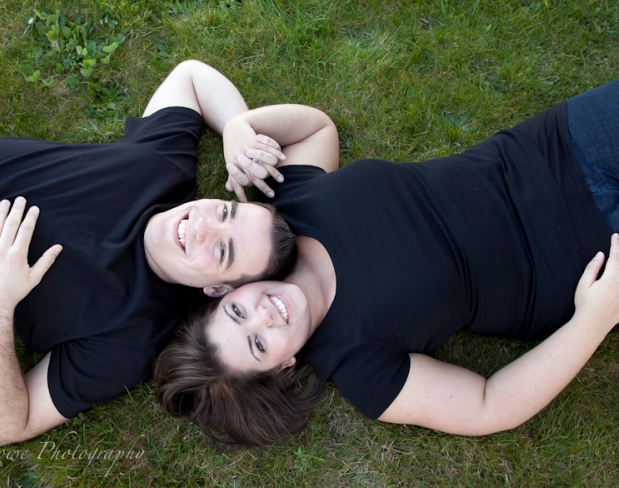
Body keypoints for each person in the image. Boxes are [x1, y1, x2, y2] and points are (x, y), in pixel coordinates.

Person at [154, 79, 619, 447]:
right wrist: (593, 321)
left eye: (238, 312)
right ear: (281, 367)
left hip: (553, 147)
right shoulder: (358, 364)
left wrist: (241, 127)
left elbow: (316, 128)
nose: (263, 315)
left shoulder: (286, 217)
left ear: (226, 293)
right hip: (584, 260)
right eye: (258, 344)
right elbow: (486, 407)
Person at [0, 60, 296, 446]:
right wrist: (240, 126)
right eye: (225, 211)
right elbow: (190, 77)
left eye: (222, 250)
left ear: (218, 288)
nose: (202, 225)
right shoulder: (162, 169)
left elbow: (3, 428)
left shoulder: (129, 336)